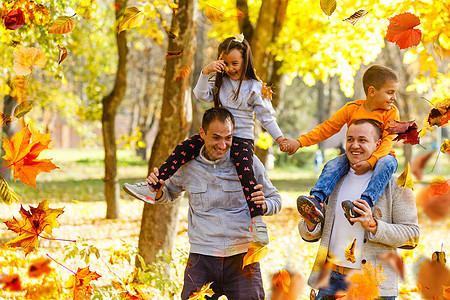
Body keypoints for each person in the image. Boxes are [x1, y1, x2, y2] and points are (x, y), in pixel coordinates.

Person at [123, 35, 286, 245]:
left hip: (241, 139)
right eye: (225, 63)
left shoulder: (254, 87)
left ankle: (257, 221)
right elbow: (201, 95)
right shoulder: (220, 81)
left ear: (245, 61)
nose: (230, 68)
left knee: (247, 174)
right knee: (184, 147)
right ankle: (152, 187)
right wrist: (205, 72)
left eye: (235, 63)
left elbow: (267, 117)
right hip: (216, 135)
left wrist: (280, 139)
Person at [145, 107, 282, 300]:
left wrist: (265, 205)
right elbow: (168, 193)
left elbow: (276, 199)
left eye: (228, 137)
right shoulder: (188, 165)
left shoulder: (248, 162)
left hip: (242, 257)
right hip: (202, 258)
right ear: (202, 133)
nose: (223, 144)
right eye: (216, 137)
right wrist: (158, 190)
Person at [298, 119, 420, 300]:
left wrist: (373, 225)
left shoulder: (395, 185)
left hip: (374, 285)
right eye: (350, 139)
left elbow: (412, 235)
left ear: (378, 144)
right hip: (330, 281)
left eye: (362, 140)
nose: (354, 145)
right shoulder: (333, 181)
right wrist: (309, 224)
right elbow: (310, 233)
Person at [282, 65, 400, 226]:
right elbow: (327, 128)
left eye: (394, 93)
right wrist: (300, 142)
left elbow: (389, 140)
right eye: (390, 92)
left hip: (384, 155)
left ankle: (361, 205)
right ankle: (316, 201)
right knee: (333, 164)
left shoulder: (391, 112)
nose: (394, 97)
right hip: (356, 154)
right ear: (372, 91)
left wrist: (371, 162)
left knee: (386, 163)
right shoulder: (352, 109)